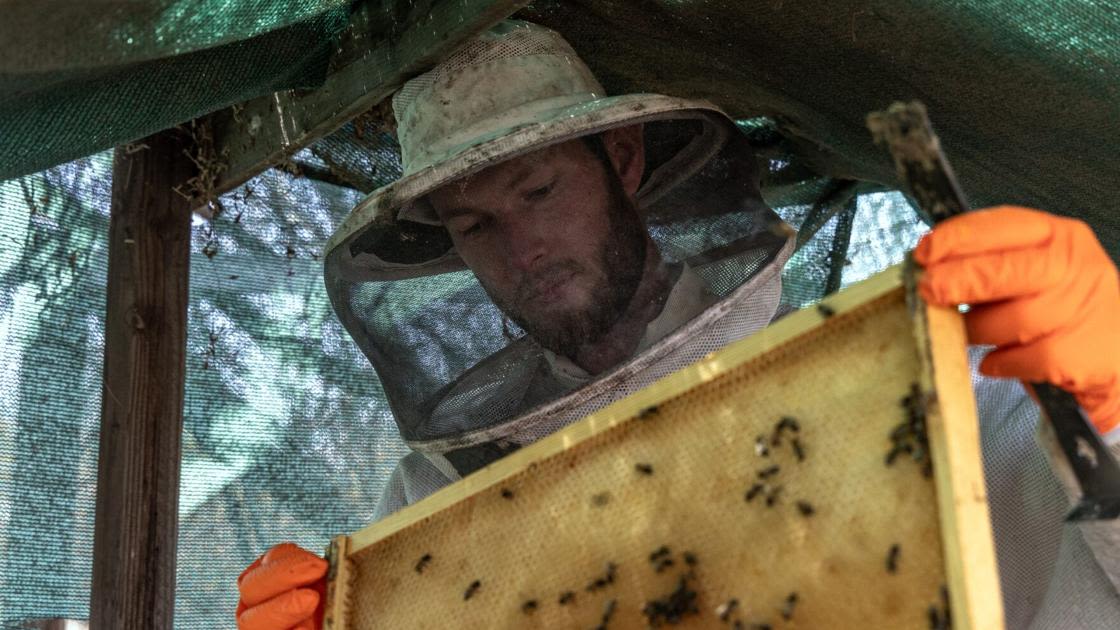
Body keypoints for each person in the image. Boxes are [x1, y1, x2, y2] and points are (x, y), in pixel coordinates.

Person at [234, 20, 1120, 630]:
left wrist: (1113, 411)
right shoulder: (431, 501)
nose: (521, 246)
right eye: (476, 226)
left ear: (620, 160)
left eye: (538, 192)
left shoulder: (906, 385)